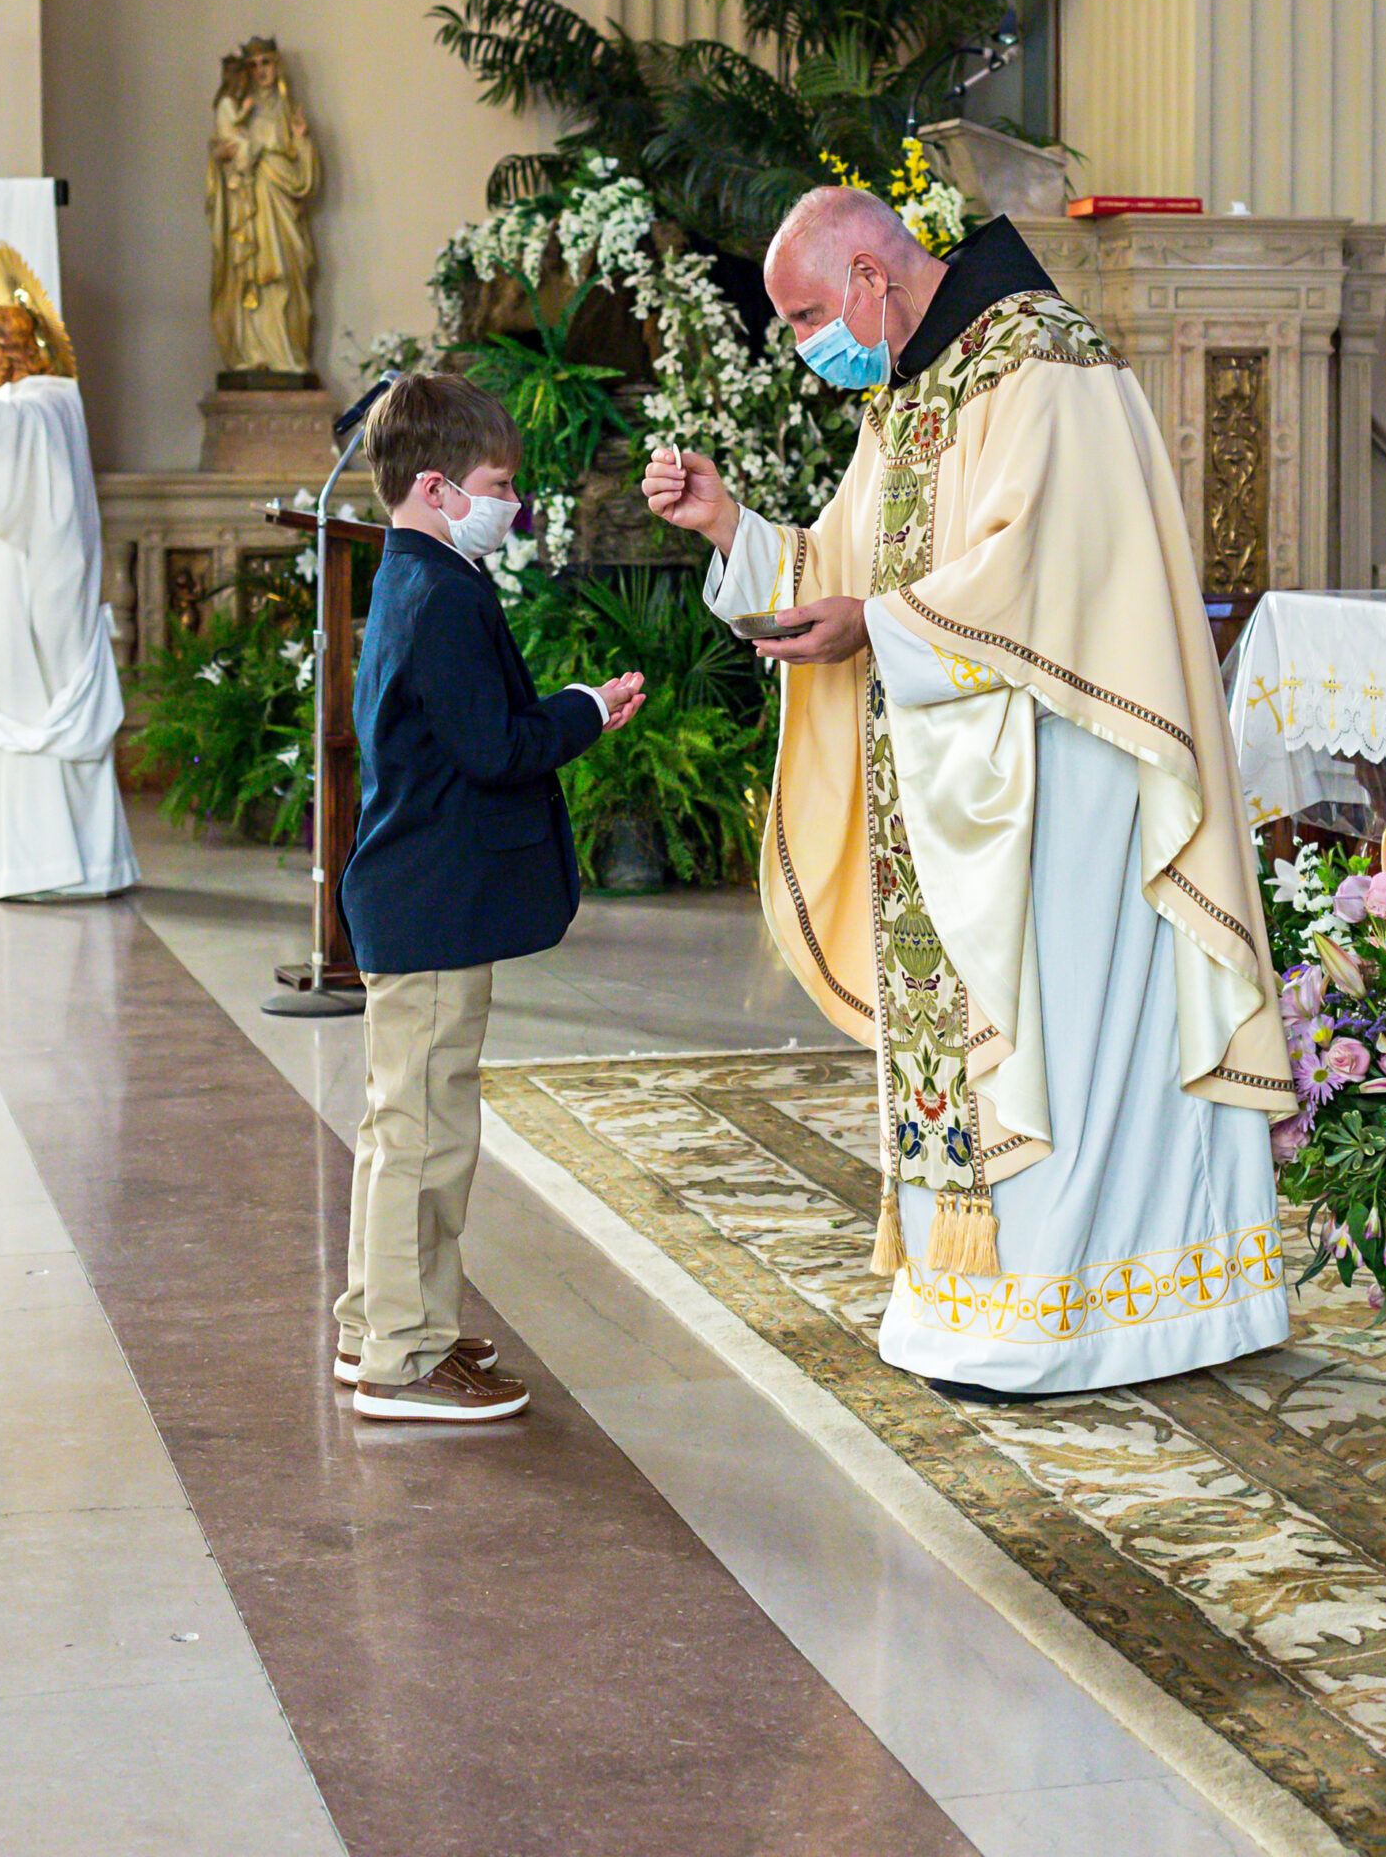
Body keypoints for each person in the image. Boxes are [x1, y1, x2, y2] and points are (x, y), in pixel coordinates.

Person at [644, 188, 1295, 1398]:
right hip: (963, 777)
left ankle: (1088, 1308)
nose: (803, 347)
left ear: (868, 281)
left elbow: (1047, 571)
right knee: (1003, 1035)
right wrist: (731, 526)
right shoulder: (916, 389)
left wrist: (876, 627)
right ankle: (978, 1293)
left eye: (802, 316)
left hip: (1069, 777)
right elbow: (848, 560)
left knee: (1061, 1026)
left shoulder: (1048, 364)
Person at [335, 372, 645, 1424]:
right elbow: (494, 749)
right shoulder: (445, 593)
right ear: (433, 486)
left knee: (401, 1126)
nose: (511, 503)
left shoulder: (413, 572)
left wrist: (563, 707)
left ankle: (375, 1319)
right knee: (424, 1135)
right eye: (498, 484)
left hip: (413, 894)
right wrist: (581, 713)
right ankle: (405, 1359)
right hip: (431, 904)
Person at [0, 242, 138, 902]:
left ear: (9, 351)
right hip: (42, 585)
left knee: (25, 708)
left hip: (34, 597)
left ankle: (34, 868)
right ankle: (51, 863)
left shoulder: (34, 409)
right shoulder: (54, 403)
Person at [206, 35, 319, 375]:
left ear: (277, 65)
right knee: (247, 279)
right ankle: (252, 353)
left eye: (266, 63)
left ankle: (287, 353)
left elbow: (303, 177)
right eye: (253, 65)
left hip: (279, 205)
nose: (261, 71)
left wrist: (301, 141)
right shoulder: (238, 108)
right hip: (246, 207)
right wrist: (218, 161)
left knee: (285, 275)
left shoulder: (287, 111)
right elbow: (223, 159)